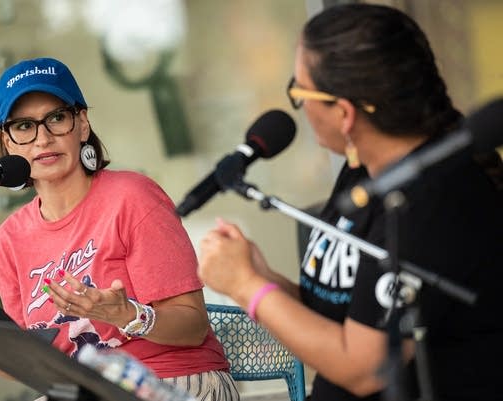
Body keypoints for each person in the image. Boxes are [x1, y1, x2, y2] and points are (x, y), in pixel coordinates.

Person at [197, 4, 503, 401]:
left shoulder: (434, 200)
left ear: (344, 113)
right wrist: (264, 277)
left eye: (299, 91)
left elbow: (367, 369)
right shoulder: (365, 168)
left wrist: (245, 287)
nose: (299, 105)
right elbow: (336, 315)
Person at [0, 57, 239, 401]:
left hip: (170, 380)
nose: (42, 139)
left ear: (81, 124)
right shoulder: (9, 238)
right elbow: (33, 360)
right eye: (23, 126)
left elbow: (193, 327)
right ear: (7, 142)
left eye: (57, 118)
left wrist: (126, 314)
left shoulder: (132, 197)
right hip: (83, 392)